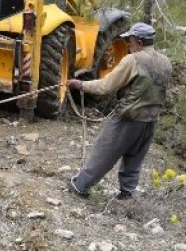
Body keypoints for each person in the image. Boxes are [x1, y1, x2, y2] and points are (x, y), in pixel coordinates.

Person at [65, 22, 172, 199]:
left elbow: (106, 87)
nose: (128, 46)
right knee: (135, 157)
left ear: (138, 41)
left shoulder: (133, 60)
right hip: (151, 119)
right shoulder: (165, 62)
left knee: (105, 151)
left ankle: (80, 185)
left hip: (129, 117)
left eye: (130, 42)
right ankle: (126, 193)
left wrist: (81, 84)